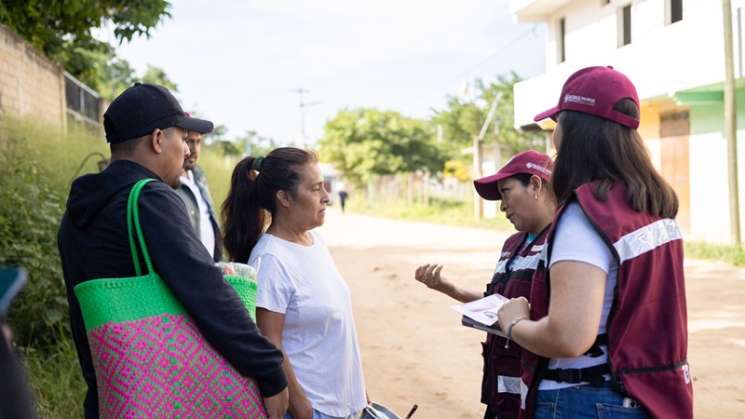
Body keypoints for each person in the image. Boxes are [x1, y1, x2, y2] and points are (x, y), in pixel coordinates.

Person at [58, 83, 289, 419]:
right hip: (162, 398)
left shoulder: (78, 212)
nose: (186, 151)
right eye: (182, 138)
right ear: (157, 140)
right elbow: (206, 291)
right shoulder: (149, 198)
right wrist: (269, 369)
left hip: (113, 395)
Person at [497, 66, 693, 419]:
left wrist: (514, 323)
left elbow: (568, 337)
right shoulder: (656, 207)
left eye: (558, 126)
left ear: (575, 130)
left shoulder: (586, 213)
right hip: (651, 396)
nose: (554, 139)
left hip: (583, 400)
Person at [221, 148, 368, 419]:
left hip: (342, 404)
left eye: (324, 187)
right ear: (285, 198)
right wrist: (300, 404)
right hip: (314, 409)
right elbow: (269, 339)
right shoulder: (271, 259)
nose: (326, 197)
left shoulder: (315, 243)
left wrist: (356, 390)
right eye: (315, 189)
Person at [413, 150, 555, 419]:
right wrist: (449, 288)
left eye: (506, 192)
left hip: (539, 394)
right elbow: (498, 303)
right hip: (501, 392)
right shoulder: (512, 245)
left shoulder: (562, 242)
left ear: (535, 185)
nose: (502, 206)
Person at [175, 120, 223, 261]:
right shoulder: (168, 184)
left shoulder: (199, 177)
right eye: (188, 141)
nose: (194, 150)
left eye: (198, 142)